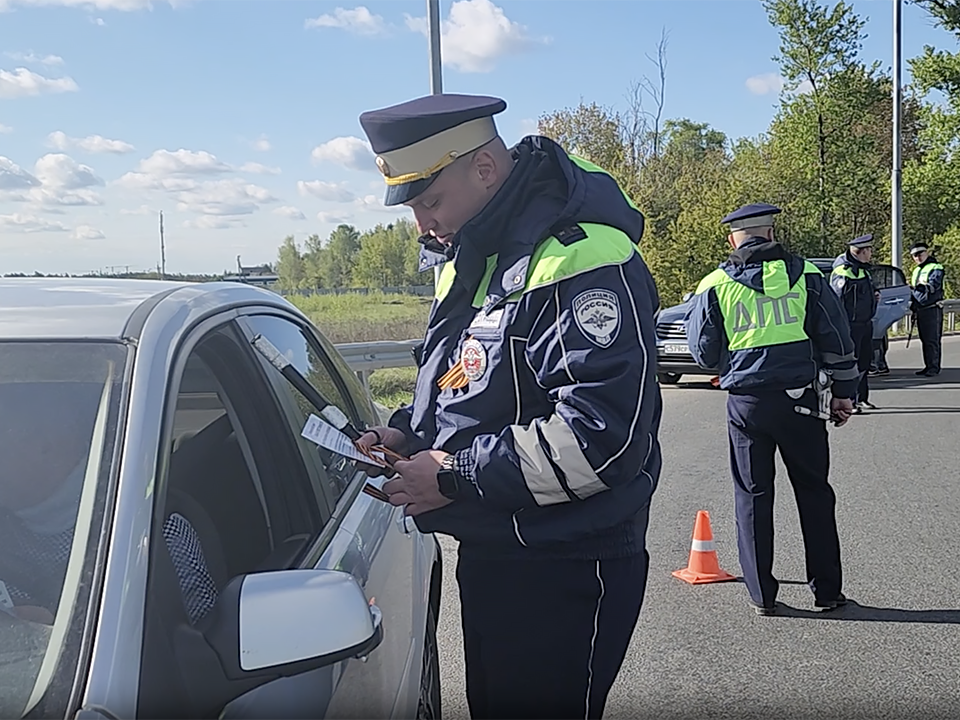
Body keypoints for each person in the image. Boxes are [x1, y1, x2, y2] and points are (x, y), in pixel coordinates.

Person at [354, 93, 663, 720]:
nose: (422, 224)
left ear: (485, 169)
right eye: (412, 208)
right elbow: (464, 395)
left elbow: (603, 439)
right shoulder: (472, 257)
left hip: (567, 562)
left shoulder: (581, 257)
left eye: (430, 201)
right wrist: (409, 442)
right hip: (498, 543)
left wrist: (453, 475)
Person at [684, 203, 858, 616]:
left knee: (752, 496)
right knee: (815, 493)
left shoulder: (714, 284)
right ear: (771, 233)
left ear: (733, 239)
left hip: (747, 405)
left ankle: (762, 595)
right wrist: (844, 391)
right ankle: (827, 592)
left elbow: (704, 353)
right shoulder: (808, 276)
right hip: (801, 402)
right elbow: (836, 338)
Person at [830, 234, 880, 411]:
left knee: (864, 362)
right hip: (850, 326)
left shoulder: (864, 270)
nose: (871, 254)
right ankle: (850, 400)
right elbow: (838, 302)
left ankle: (862, 398)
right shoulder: (843, 272)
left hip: (866, 323)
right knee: (852, 364)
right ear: (861, 252)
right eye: (869, 251)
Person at [909, 241, 946, 377]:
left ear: (926, 252)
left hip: (932, 308)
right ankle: (928, 365)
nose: (918, 257)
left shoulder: (936, 267)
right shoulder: (916, 270)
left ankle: (934, 367)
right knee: (925, 339)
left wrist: (920, 287)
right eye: (914, 255)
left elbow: (933, 285)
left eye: (920, 254)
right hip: (920, 309)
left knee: (932, 340)